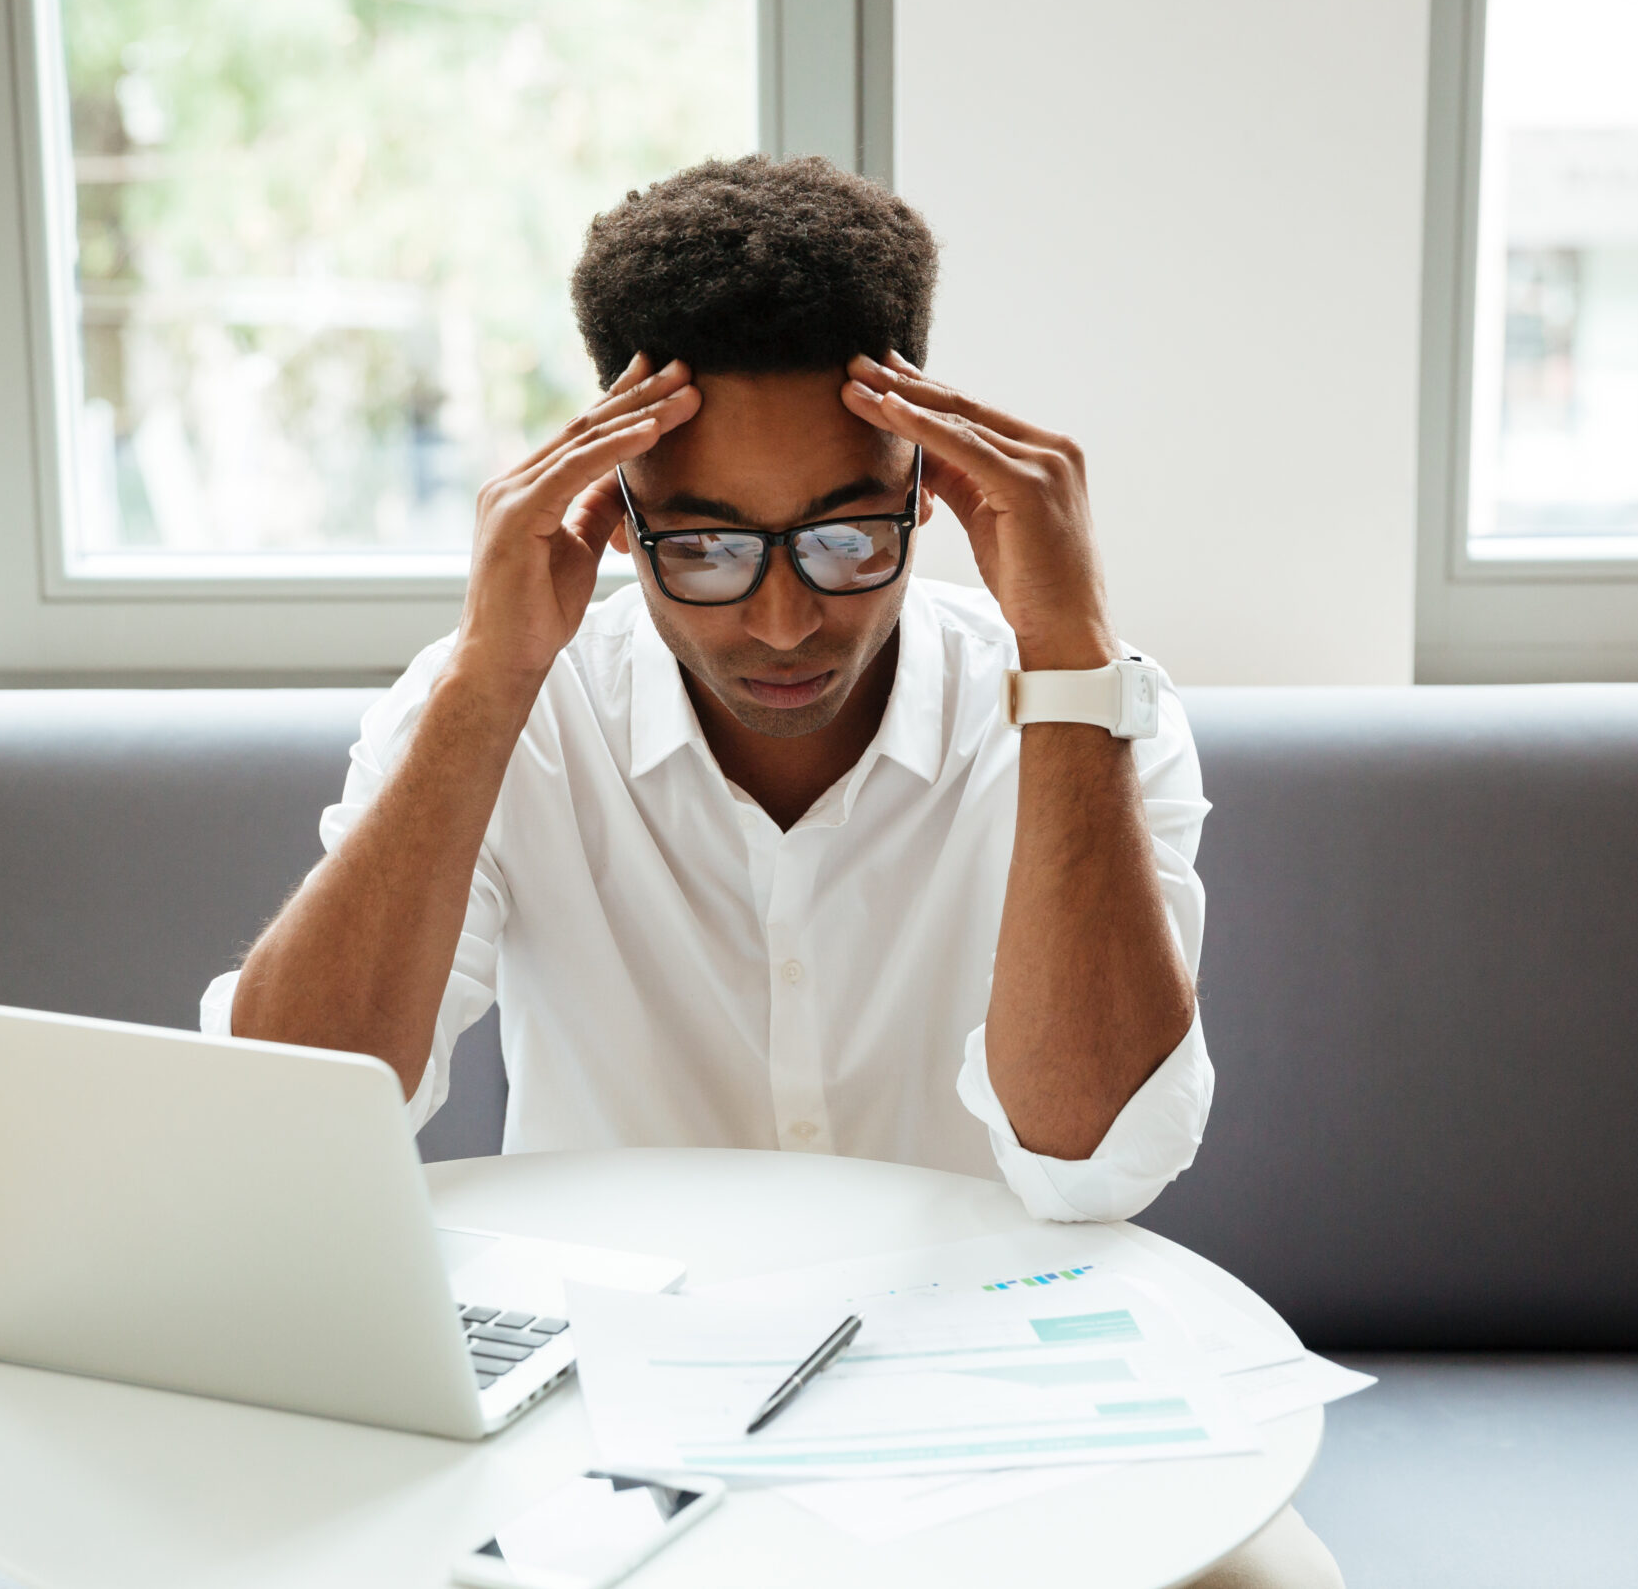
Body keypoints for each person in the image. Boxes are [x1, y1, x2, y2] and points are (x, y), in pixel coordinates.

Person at [202, 155, 1341, 1588]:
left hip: (970, 1392)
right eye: (709, 547)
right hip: (605, 1412)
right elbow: (295, 1117)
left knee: (1276, 1582)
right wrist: (492, 683)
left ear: (929, 489)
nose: (786, 619)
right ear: (615, 515)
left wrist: (1067, 660)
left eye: (846, 533)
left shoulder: (1086, 707)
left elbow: (1089, 1163)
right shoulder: (498, 699)